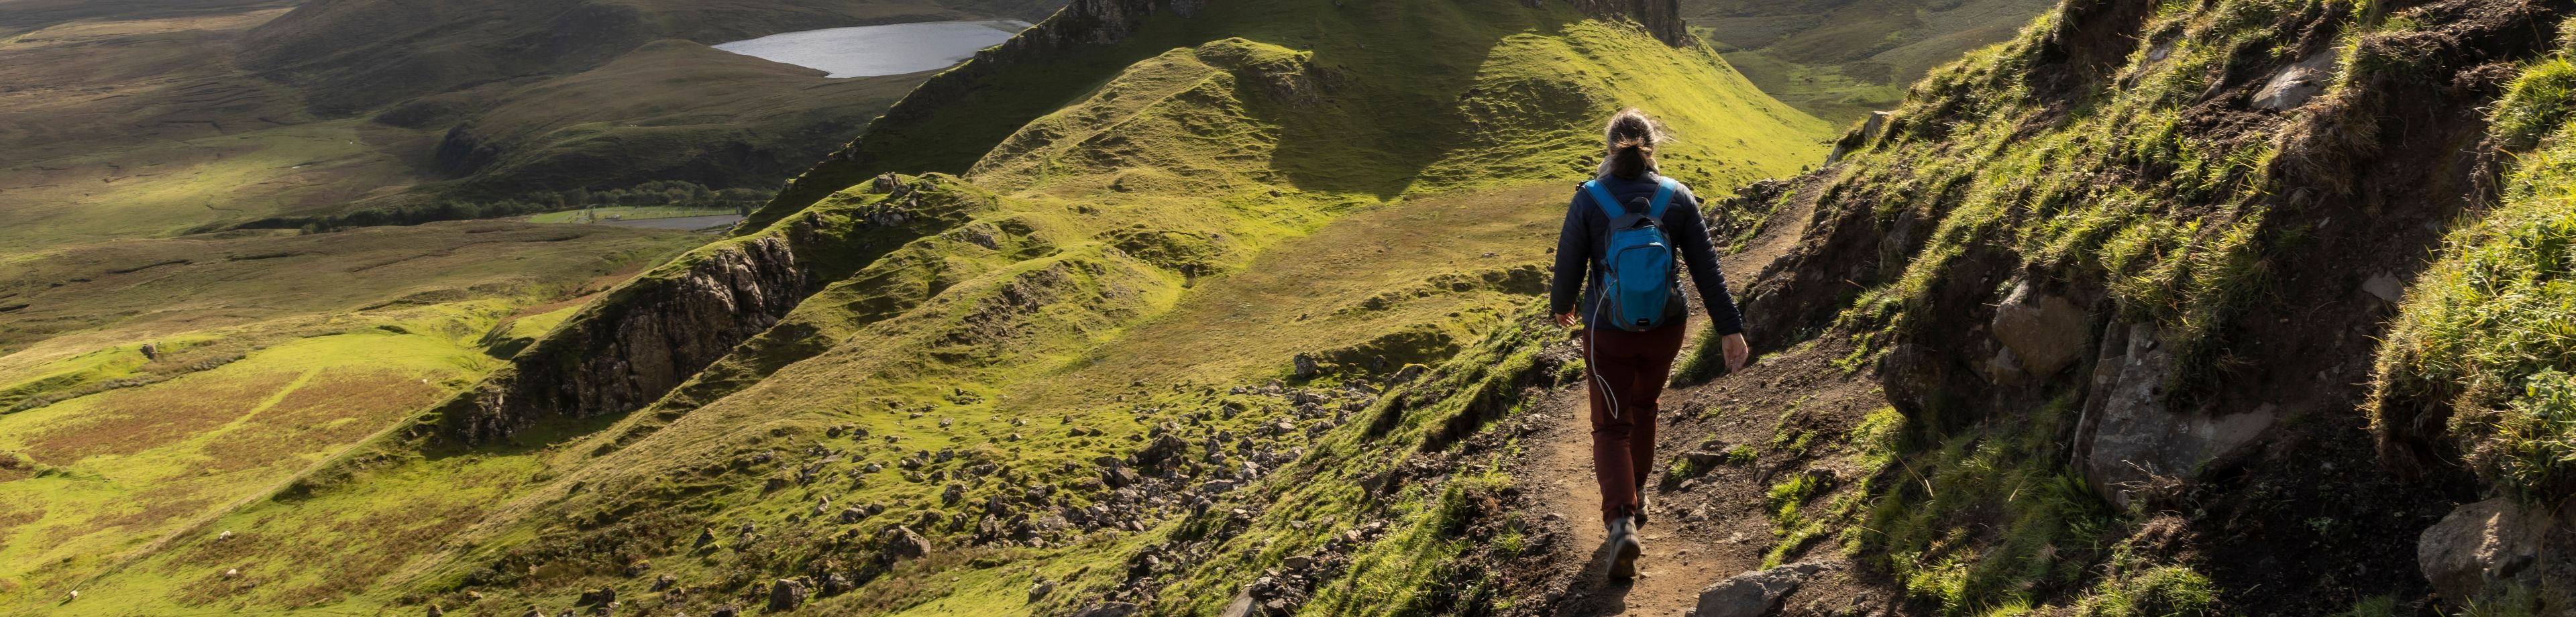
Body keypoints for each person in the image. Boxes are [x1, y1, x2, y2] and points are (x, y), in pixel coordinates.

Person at [1548, 108, 1750, 579]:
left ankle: (1621, 521)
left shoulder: (1589, 198)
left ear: (1609, 147)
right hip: (1665, 328)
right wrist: (1730, 329)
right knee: (1646, 406)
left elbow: (1568, 266)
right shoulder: (1677, 197)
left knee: (1610, 426)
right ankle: (1637, 497)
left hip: (1607, 330)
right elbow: (1708, 272)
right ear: (1652, 146)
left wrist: (1562, 306)